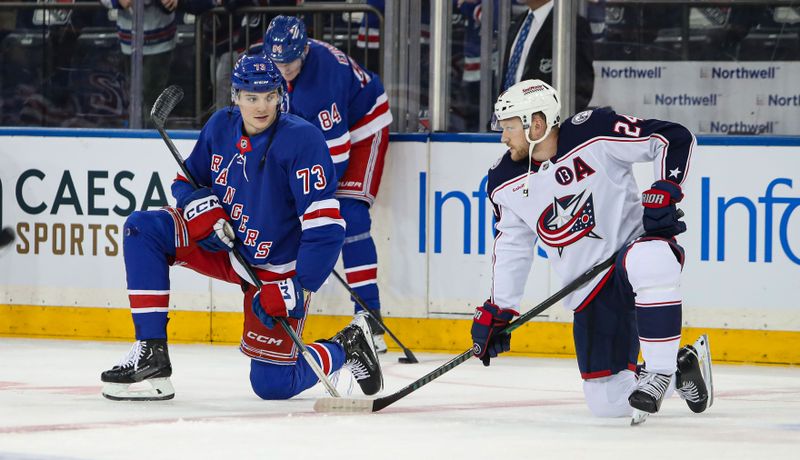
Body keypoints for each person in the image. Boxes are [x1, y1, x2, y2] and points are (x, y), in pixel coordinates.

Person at [100, 53, 383, 401]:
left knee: (272, 385)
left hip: (275, 269)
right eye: (251, 97)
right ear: (235, 96)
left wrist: (298, 287)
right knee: (142, 229)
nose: (261, 106)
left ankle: (346, 347)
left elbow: (326, 227)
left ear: (280, 95)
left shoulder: (302, 140)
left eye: (269, 96)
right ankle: (152, 353)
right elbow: (184, 182)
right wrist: (203, 209)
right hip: (224, 246)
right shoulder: (220, 126)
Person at [471, 79, 713, 419]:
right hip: (588, 289)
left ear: (536, 124)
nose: (503, 137)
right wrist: (500, 309)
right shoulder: (503, 181)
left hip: (631, 255)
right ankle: (684, 366)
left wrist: (666, 188)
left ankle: (659, 371)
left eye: (509, 127)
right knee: (609, 403)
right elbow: (512, 247)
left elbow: (672, 138)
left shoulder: (595, 131)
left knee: (652, 259)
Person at [263, 15, 393, 353]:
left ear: (304, 50)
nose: (283, 68)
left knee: (350, 217)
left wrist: (307, 200)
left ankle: (370, 320)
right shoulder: (271, 65)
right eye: (277, 61)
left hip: (362, 129)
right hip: (314, 137)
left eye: (290, 61)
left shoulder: (323, 83)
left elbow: (335, 159)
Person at [500, 0, 595, 112]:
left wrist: (550, 124)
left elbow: (581, 88)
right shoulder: (517, 23)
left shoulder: (572, 25)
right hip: (507, 124)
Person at [101, 0, 178, 127]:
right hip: (128, 42)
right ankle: (137, 137)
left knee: (154, 102)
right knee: (133, 101)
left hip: (160, 41)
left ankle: (155, 139)